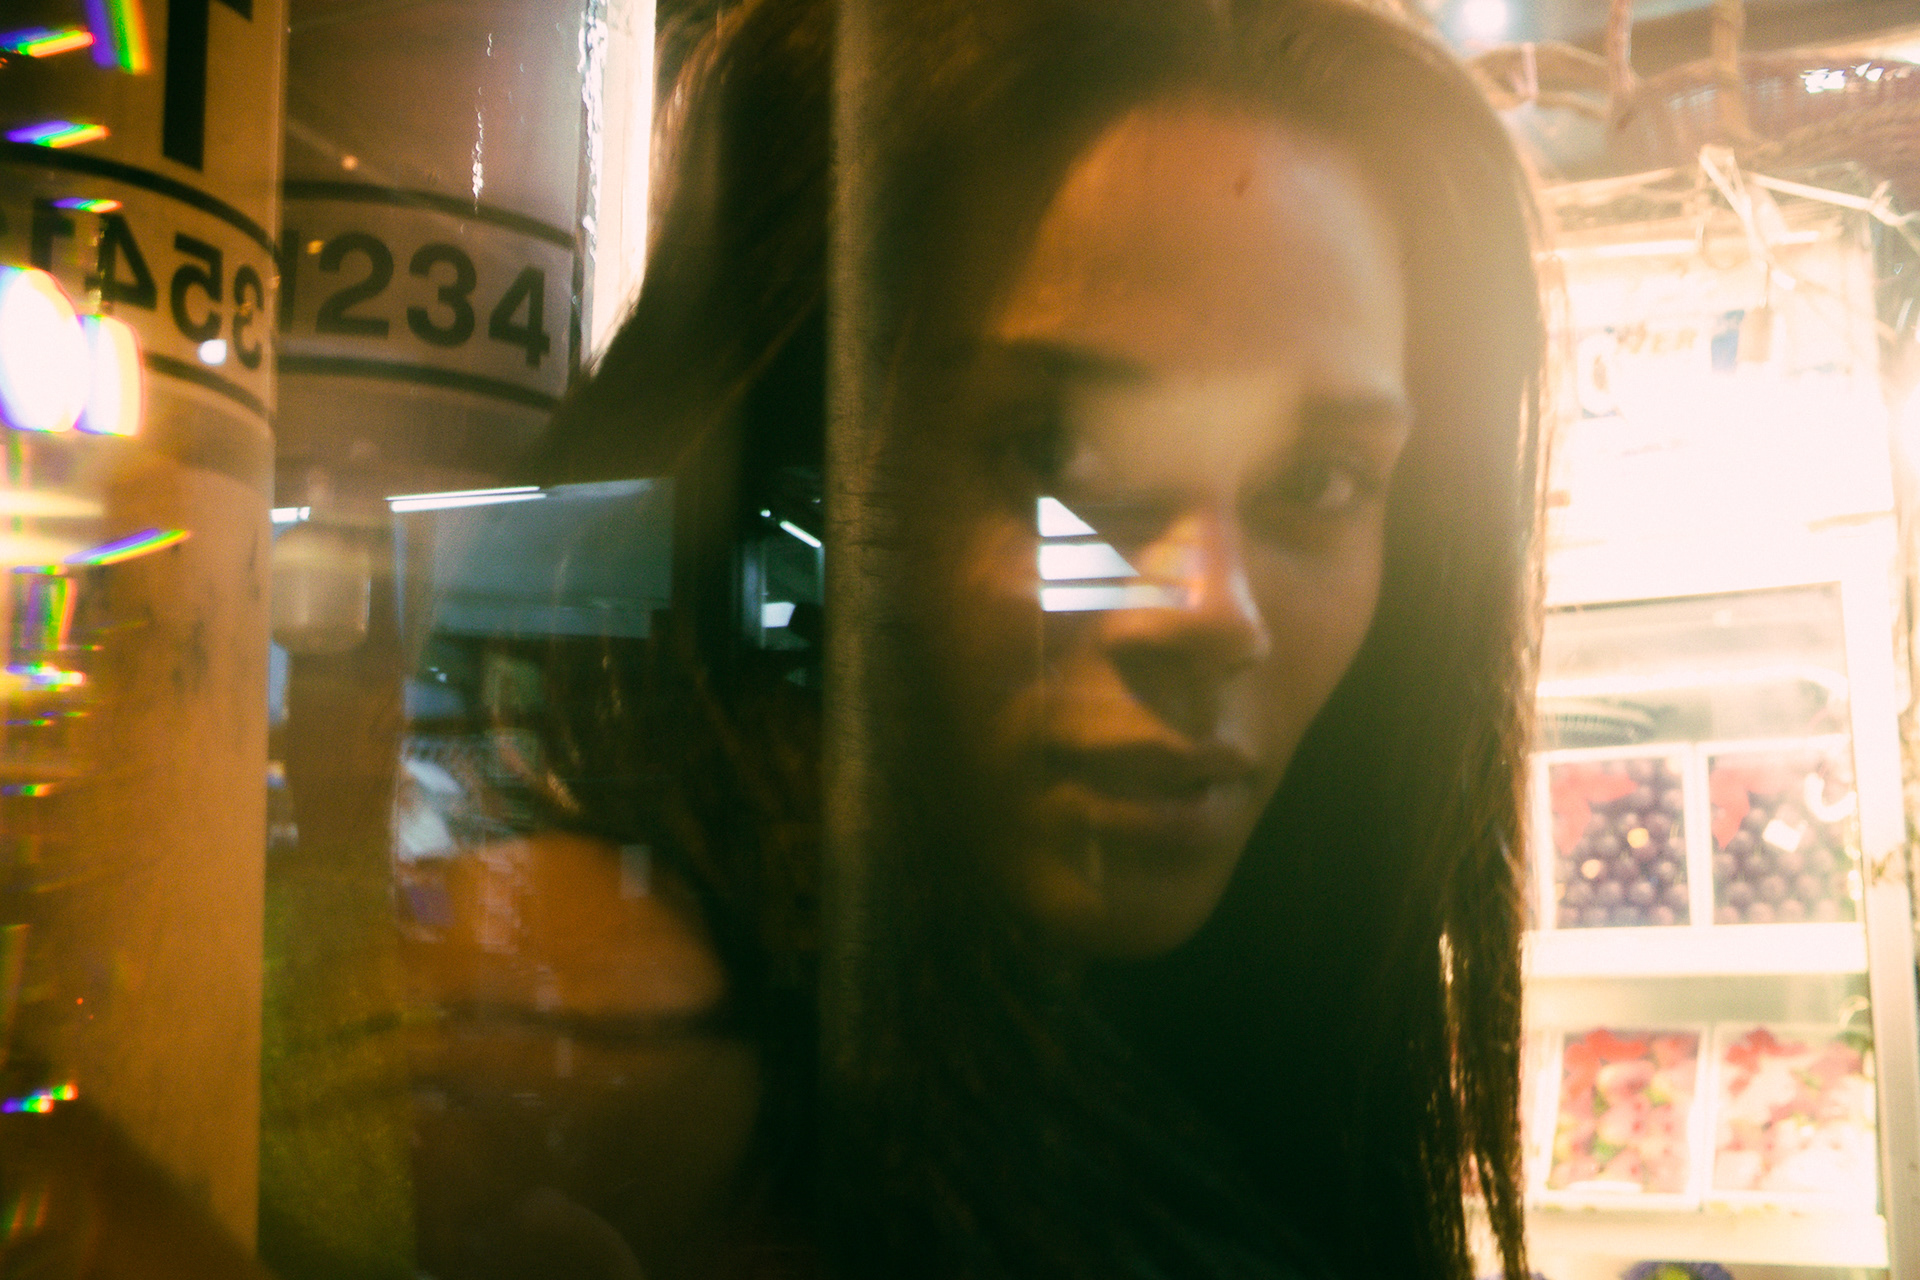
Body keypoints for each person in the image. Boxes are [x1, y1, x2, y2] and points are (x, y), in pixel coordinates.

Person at [527, 0, 1545, 1277]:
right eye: (1053, 453)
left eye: (1318, 480)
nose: (1211, 609)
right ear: (793, 470)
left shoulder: (1265, 1059)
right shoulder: (612, 1064)